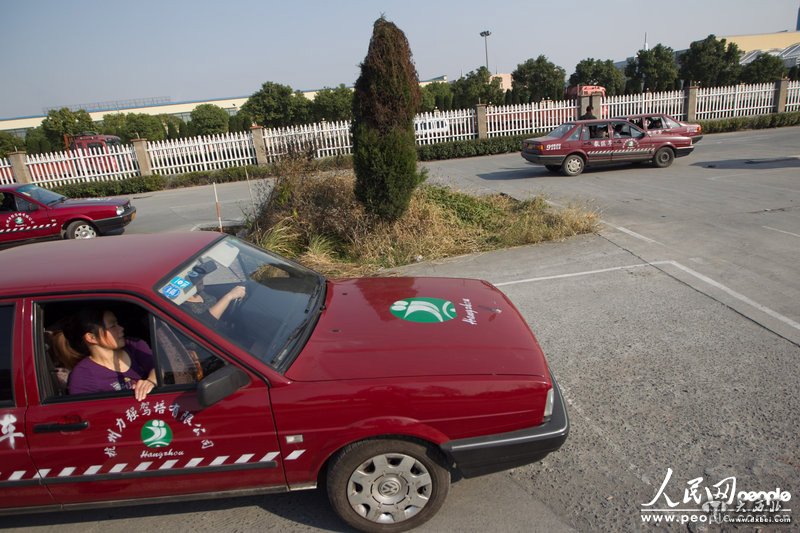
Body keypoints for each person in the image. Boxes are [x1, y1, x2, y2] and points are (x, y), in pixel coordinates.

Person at [64, 307, 156, 400]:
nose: (121, 328)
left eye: (117, 323)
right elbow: (85, 411)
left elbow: (160, 368)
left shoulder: (135, 346)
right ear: (92, 337)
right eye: (112, 326)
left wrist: (151, 380)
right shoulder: (83, 376)